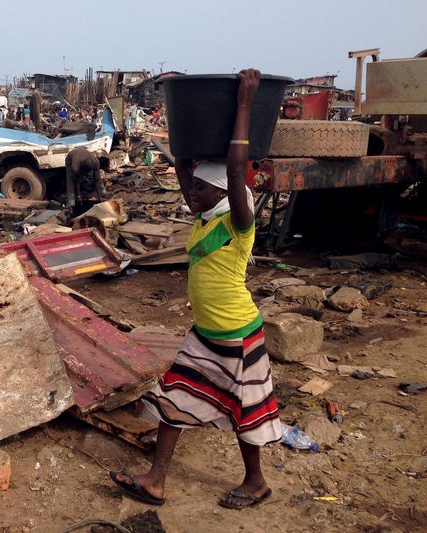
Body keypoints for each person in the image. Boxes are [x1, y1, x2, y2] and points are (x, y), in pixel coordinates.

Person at [109, 69, 281, 510]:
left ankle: (256, 482)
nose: (190, 195)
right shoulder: (206, 217)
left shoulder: (238, 223)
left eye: (200, 190)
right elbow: (186, 170)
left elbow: (238, 168)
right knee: (177, 395)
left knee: (247, 413)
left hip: (238, 335)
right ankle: (156, 480)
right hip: (209, 333)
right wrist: (183, 120)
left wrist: (244, 103)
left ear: (223, 190)